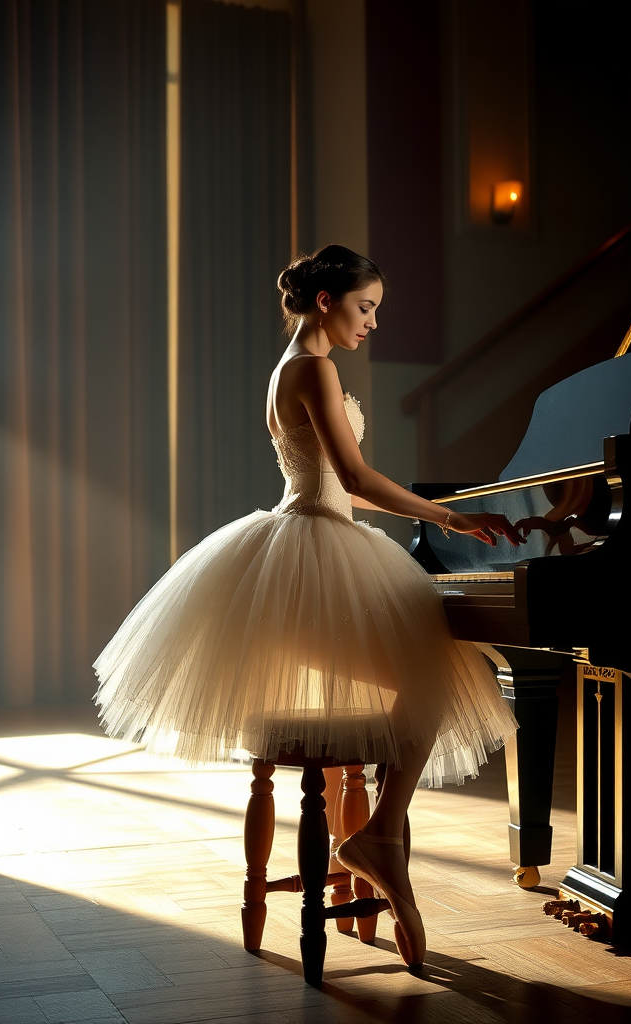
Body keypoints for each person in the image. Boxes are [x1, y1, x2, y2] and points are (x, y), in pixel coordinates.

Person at [94, 244, 523, 970]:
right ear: (327, 302)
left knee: (431, 677)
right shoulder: (312, 368)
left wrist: (428, 513)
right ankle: (382, 836)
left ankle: (380, 836)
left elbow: (340, 484)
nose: (373, 324)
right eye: (366, 308)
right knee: (435, 674)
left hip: (314, 541)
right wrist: (449, 518)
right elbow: (353, 473)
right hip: (310, 554)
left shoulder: (290, 368)